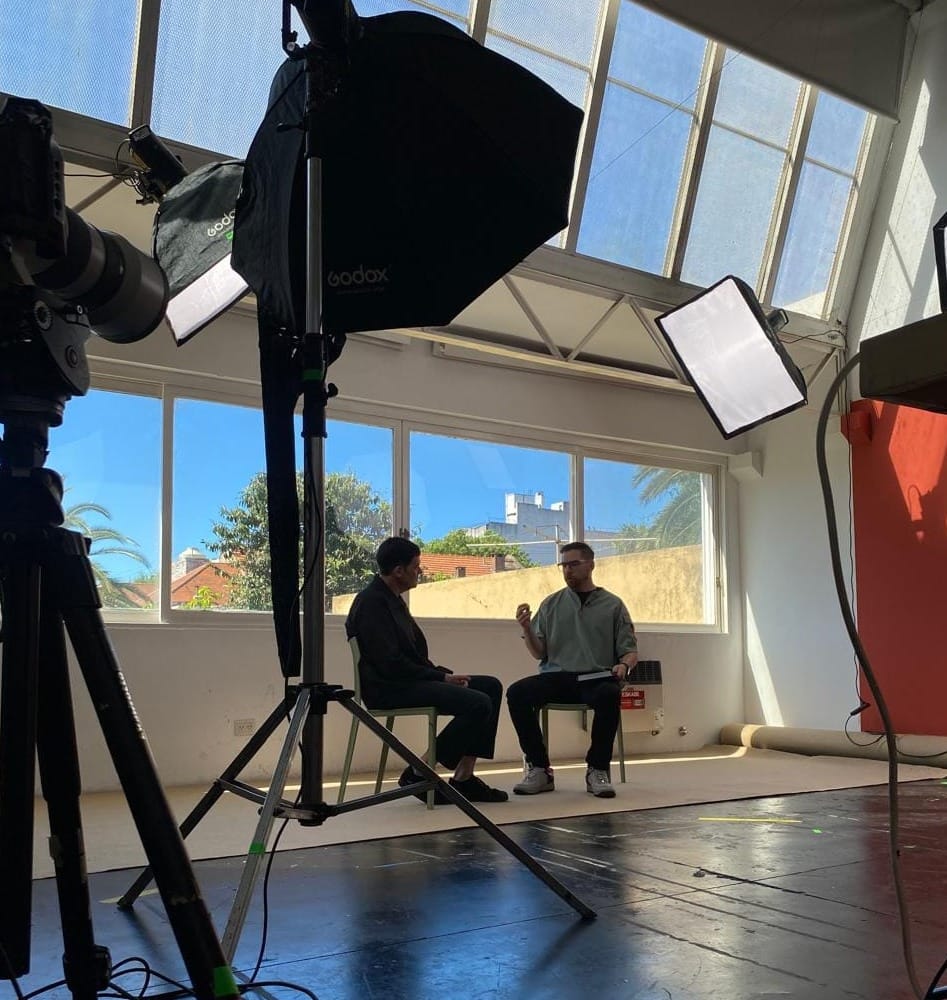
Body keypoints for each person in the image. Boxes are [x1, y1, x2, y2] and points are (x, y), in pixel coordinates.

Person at [345, 536, 508, 804]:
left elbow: (414, 657)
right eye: (416, 566)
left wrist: (443, 676)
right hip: (389, 688)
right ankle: (419, 772)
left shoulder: (393, 600)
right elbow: (391, 663)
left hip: (408, 681)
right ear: (399, 571)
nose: (420, 571)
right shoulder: (372, 603)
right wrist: (441, 677)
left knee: (489, 686)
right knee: (478, 703)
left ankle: (464, 778)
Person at [507, 541, 638, 799]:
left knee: (609, 694)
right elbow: (539, 653)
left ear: (591, 565)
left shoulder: (613, 605)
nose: (568, 570)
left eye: (574, 564)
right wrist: (527, 629)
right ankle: (540, 769)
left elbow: (630, 651)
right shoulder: (551, 604)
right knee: (517, 693)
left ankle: (597, 770)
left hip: (596, 677)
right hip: (557, 677)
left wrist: (623, 665)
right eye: (563, 565)